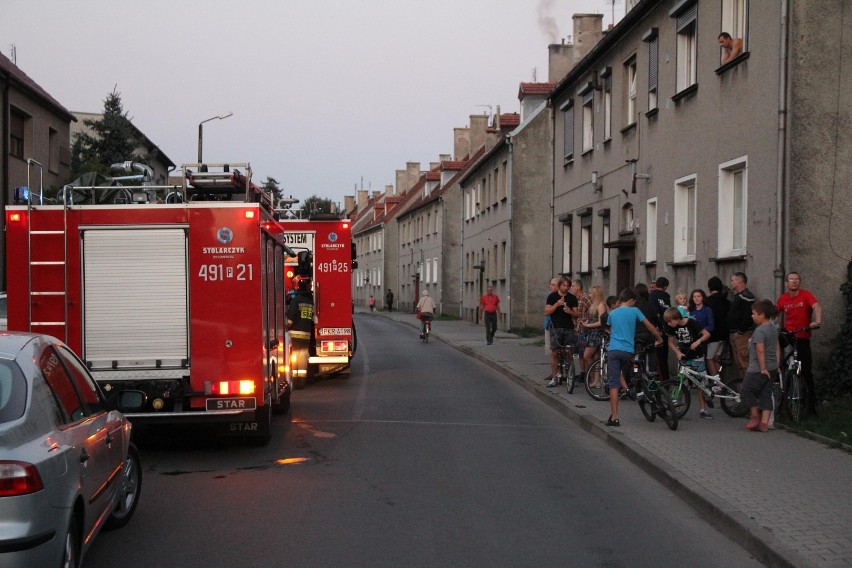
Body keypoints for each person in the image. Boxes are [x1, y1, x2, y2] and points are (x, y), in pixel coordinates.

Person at [605, 288, 664, 427]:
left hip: (613, 350)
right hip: (628, 351)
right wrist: (659, 338)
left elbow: (608, 329)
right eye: (634, 301)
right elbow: (650, 327)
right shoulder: (635, 311)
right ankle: (638, 383)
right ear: (631, 300)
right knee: (635, 365)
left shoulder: (612, 313)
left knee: (614, 383)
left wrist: (613, 335)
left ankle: (615, 417)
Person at [777, 271, 822, 416]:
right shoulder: (783, 298)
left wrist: (817, 320)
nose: (794, 282)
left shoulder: (805, 295)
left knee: (807, 372)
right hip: (789, 335)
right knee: (777, 341)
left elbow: (816, 306)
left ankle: (811, 407)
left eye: (797, 279)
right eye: (791, 280)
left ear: (799, 282)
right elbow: (774, 313)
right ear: (786, 283)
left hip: (802, 336)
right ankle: (778, 368)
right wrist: (772, 325)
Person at [664, 307, 714, 418]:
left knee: (701, 383)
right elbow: (670, 342)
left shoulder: (692, 323)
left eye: (669, 321)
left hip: (697, 356)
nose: (668, 323)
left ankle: (703, 409)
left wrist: (698, 341)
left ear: (676, 318)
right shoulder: (672, 327)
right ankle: (676, 408)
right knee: (680, 383)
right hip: (684, 357)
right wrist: (677, 352)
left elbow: (707, 334)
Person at [741, 300, 780, 432]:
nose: (752, 316)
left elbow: (760, 350)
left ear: (762, 315)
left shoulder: (760, 331)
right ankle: (764, 423)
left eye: (754, 313)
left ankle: (755, 415)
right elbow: (777, 348)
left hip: (758, 369)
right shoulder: (774, 328)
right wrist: (776, 364)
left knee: (746, 390)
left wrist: (762, 368)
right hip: (772, 367)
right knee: (766, 393)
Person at [545, 276, 578, 387]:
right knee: (555, 352)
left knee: (569, 351)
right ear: (559, 285)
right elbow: (547, 311)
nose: (566, 288)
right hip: (556, 327)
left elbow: (577, 315)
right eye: (564, 285)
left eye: (568, 286)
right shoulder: (552, 296)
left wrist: (570, 312)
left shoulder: (572, 298)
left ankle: (569, 374)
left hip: (568, 327)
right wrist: (557, 304)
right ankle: (554, 378)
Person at [727, 272, 756, 378]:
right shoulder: (737, 296)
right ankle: (742, 388)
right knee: (739, 363)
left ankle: (749, 388)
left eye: (732, 280)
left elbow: (748, 316)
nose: (731, 283)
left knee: (744, 361)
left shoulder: (747, 297)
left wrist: (740, 331)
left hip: (742, 335)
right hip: (734, 334)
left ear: (739, 281)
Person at [579, 285, 608, 390]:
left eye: (591, 293)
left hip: (597, 334)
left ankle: (594, 377)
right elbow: (592, 319)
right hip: (591, 333)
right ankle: (596, 380)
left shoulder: (601, 305)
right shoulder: (593, 305)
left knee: (587, 355)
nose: (589, 295)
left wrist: (588, 325)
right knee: (595, 357)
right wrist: (586, 322)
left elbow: (601, 322)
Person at [286, 278, 315, 383]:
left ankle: (294, 379)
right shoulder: (310, 302)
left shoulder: (296, 301)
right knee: (303, 356)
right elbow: (312, 318)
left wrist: (286, 326)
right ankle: (302, 381)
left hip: (295, 334)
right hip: (306, 334)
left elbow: (290, 318)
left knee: (294, 356)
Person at [705, 276, 730, 377]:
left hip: (713, 336)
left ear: (710, 288)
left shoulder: (708, 301)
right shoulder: (726, 301)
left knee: (709, 359)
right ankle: (719, 378)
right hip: (724, 335)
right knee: (717, 359)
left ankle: (716, 382)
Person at [649, 277, 672, 381]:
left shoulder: (652, 295)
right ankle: (665, 379)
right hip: (666, 329)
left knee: (657, 357)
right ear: (665, 287)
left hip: (657, 330)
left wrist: (658, 327)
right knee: (664, 357)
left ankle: (658, 379)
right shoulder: (666, 297)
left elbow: (654, 313)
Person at [572, 279, 592, 375]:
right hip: (576, 328)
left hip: (584, 329)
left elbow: (592, 310)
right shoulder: (574, 299)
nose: (572, 288)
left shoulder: (585, 298)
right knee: (579, 352)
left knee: (585, 352)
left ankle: (589, 373)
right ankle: (582, 372)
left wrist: (587, 320)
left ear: (578, 287)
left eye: (573, 286)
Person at [543, 278, 559, 377]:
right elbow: (546, 311)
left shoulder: (560, 296)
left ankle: (558, 372)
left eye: (553, 285)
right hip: (549, 324)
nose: (551, 286)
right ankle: (554, 372)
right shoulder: (549, 295)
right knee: (551, 350)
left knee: (557, 350)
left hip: (557, 325)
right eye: (550, 284)